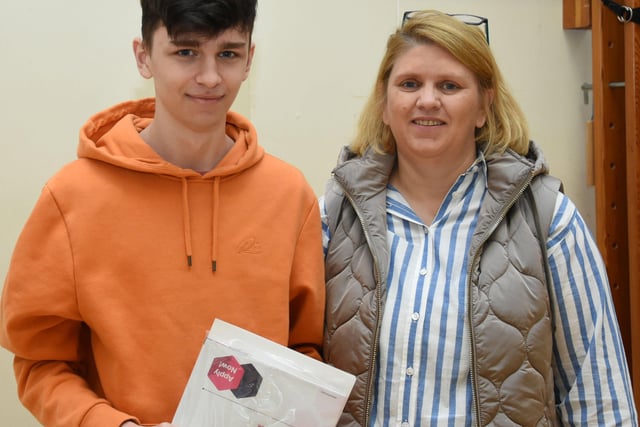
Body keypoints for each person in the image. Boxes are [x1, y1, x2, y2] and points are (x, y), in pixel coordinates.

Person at [0, 1, 325, 426]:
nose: (209, 77)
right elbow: (39, 362)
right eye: (186, 52)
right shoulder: (72, 197)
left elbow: (306, 351)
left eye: (228, 54)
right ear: (143, 56)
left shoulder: (289, 195)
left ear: (250, 60)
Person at [321, 9, 637, 426]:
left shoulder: (548, 217)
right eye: (410, 84)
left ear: (484, 105)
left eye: (449, 85)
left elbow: (598, 395)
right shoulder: (334, 213)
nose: (427, 99)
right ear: (384, 103)